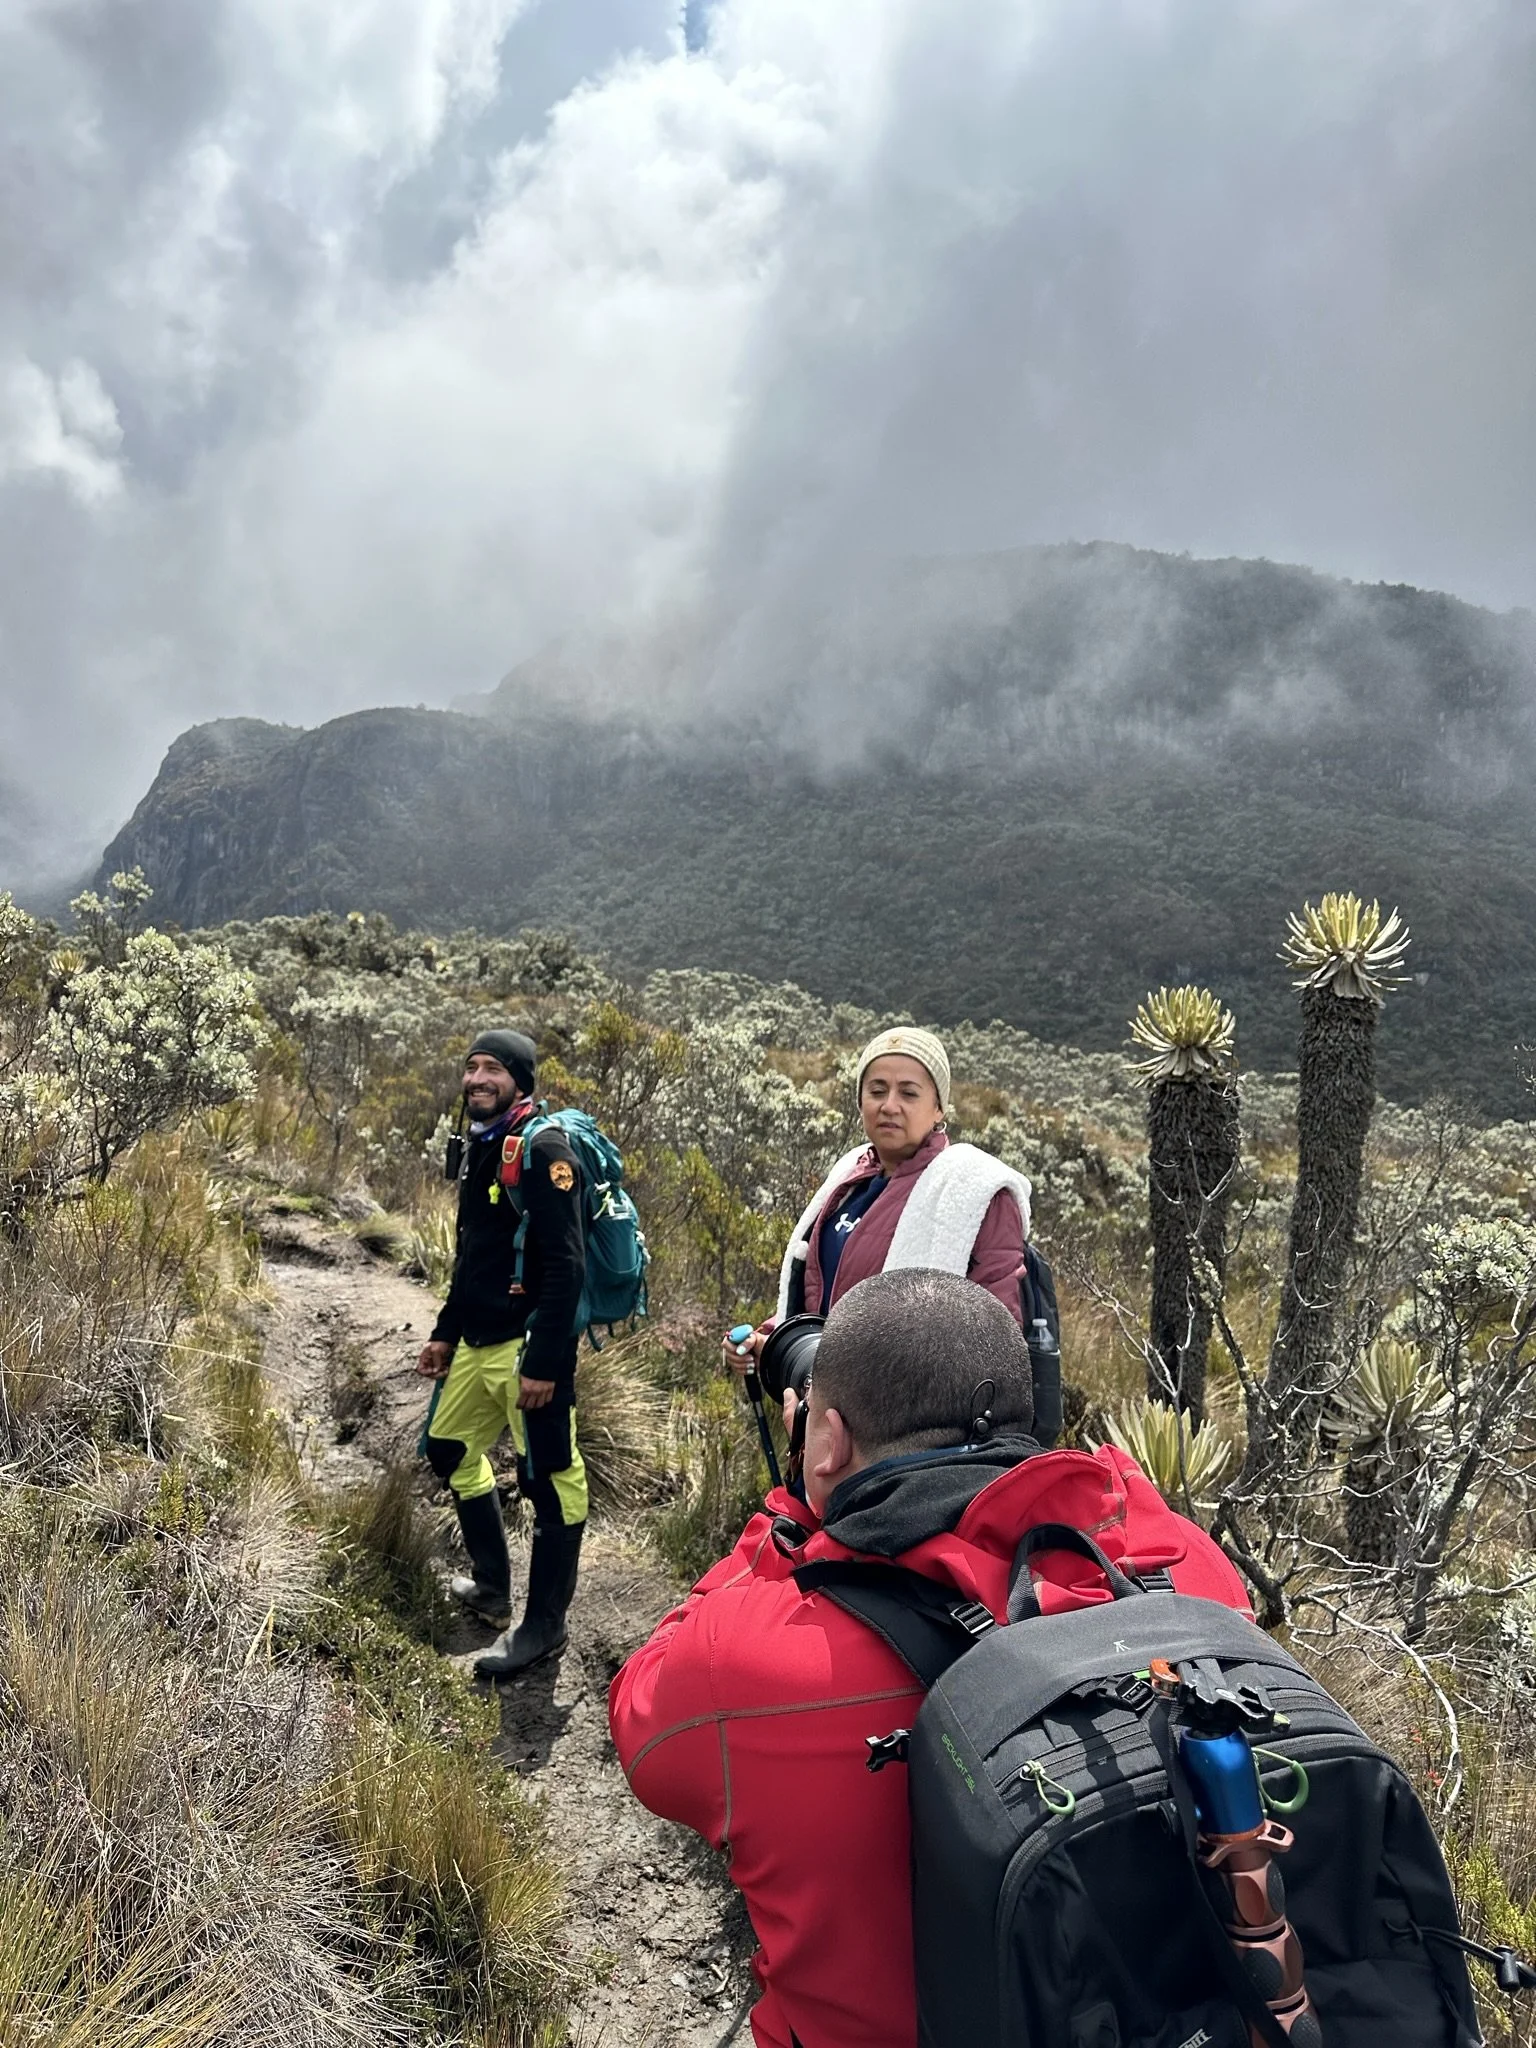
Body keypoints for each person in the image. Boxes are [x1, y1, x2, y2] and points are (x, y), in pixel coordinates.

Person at [614, 1269, 1251, 2048]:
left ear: (828, 1440)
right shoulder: (1182, 1565)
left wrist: (784, 1522)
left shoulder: (746, 1659)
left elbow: (640, 1724)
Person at [722, 1026, 1057, 1427]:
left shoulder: (976, 1194)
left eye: (909, 1093)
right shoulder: (848, 1178)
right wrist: (770, 1342)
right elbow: (823, 1300)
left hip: (911, 1439)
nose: (889, 1105)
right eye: (877, 1090)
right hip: (825, 1421)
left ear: (939, 1108)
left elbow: (994, 1342)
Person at [416, 1027, 588, 1681]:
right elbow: (475, 1258)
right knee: (448, 1449)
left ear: (521, 1080)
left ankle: (544, 1627)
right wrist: (444, 1330)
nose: (478, 1079)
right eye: (471, 1067)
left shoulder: (544, 1150)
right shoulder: (484, 1148)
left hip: (526, 1352)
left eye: (493, 1069)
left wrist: (547, 1363)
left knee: (552, 1482)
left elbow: (567, 1266)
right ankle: (493, 1590)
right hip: (476, 1343)